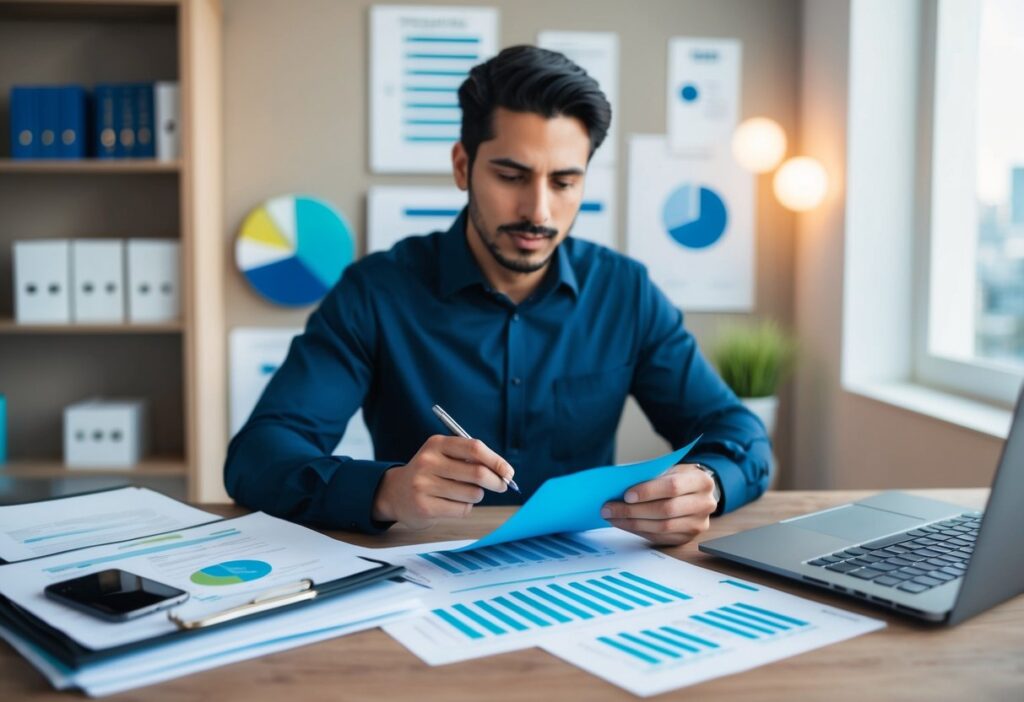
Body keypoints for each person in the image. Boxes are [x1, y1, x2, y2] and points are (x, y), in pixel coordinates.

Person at [225, 45, 772, 546]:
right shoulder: (375, 293)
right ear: (463, 166)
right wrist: (386, 490)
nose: (538, 211)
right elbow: (258, 456)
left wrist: (708, 482)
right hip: (422, 578)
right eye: (512, 176)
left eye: (563, 182)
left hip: (587, 582)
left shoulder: (625, 293)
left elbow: (738, 432)